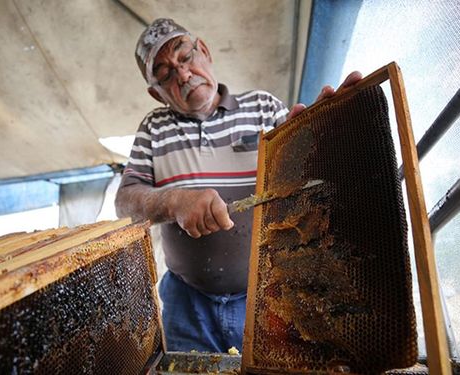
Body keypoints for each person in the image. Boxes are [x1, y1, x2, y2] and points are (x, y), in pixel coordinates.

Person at [115, 18, 362, 353]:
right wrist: (175, 202)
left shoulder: (263, 107)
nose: (183, 75)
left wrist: (320, 135)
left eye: (184, 57)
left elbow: (304, 176)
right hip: (187, 302)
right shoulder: (153, 128)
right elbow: (125, 203)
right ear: (155, 93)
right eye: (165, 74)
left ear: (203, 50)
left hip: (268, 292)